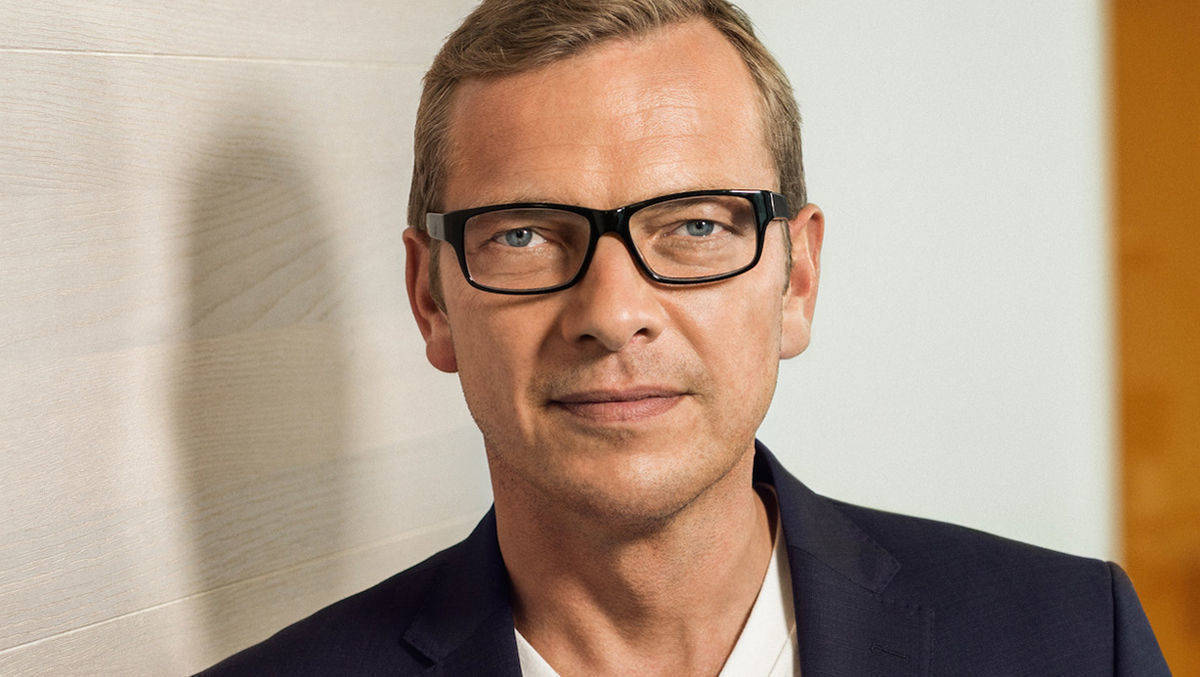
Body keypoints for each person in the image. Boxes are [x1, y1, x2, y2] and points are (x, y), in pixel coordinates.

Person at [201, 1, 1169, 674]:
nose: (613, 309)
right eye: (526, 235)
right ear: (432, 300)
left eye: (696, 225)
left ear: (797, 280)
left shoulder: (1076, 643)